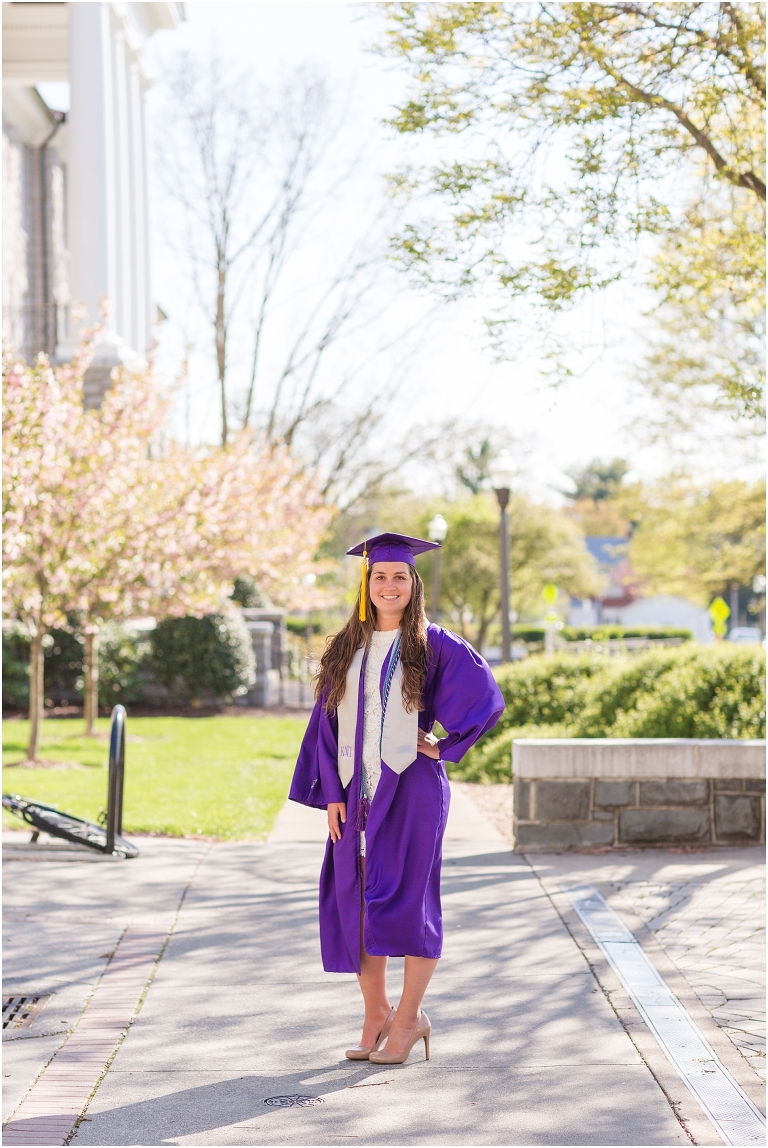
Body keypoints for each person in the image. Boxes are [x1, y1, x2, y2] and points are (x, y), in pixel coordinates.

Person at [289, 532, 505, 1064]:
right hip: (355, 790)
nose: (389, 585)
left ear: (414, 583)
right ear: (367, 584)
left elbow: (485, 700)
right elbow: (324, 726)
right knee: (358, 902)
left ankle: (409, 1019)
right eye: (380, 576)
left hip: (411, 790)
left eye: (399, 576)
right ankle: (376, 1014)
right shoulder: (346, 647)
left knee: (409, 902)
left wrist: (444, 746)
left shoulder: (434, 644)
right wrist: (332, 793)